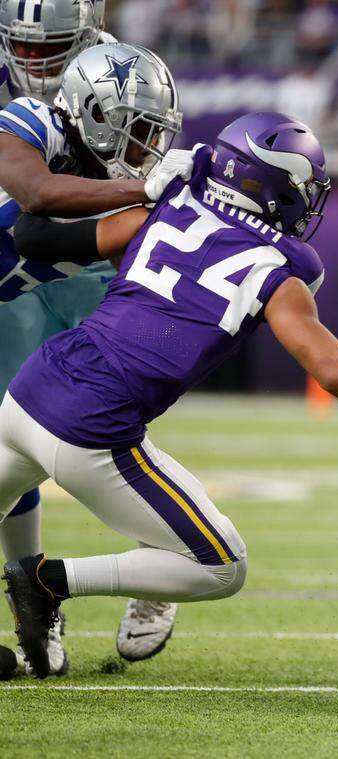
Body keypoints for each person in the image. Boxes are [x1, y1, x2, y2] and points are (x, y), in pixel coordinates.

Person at [0, 111, 338, 679]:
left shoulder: (163, 209)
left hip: (29, 391)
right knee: (221, 566)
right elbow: (332, 369)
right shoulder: (279, 266)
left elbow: (35, 237)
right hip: (92, 428)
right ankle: (50, 581)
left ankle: (82, 592)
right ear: (274, 187)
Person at [0, 37, 193, 674]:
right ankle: (34, 594)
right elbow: (35, 205)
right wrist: (143, 188)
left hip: (33, 289)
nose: (150, 149)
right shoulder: (31, 120)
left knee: (136, 368)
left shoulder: (122, 185)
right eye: (139, 133)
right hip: (20, 286)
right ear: (98, 116)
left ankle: (148, 555)